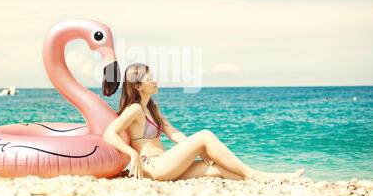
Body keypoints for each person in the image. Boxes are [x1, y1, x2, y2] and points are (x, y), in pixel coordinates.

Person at [103, 62, 305, 181]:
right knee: (206, 134)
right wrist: (132, 155)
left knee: (216, 168)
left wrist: (197, 150)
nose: (155, 80)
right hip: (152, 167)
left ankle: (271, 178)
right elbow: (109, 133)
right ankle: (253, 174)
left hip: (167, 165)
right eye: (150, 78)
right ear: (137, 86)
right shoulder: (135, 109)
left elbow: (174, 134)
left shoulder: (152, 109)